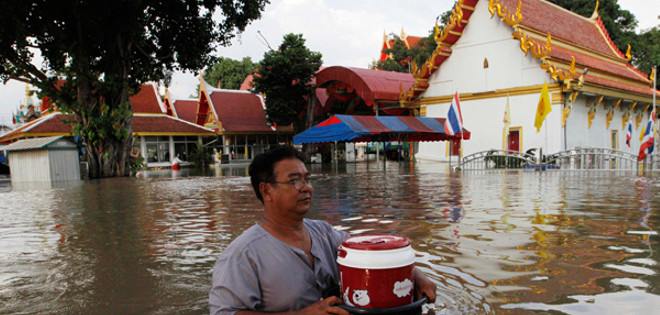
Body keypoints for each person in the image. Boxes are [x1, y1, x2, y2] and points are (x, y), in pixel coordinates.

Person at [209, 146, 436, 314]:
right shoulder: (242, 255)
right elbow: (224, 313)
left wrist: (416, 276)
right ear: (266, 190)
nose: (306, 187)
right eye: (295, 181)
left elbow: (368, 255)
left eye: (307, 179)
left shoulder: (324, 233)